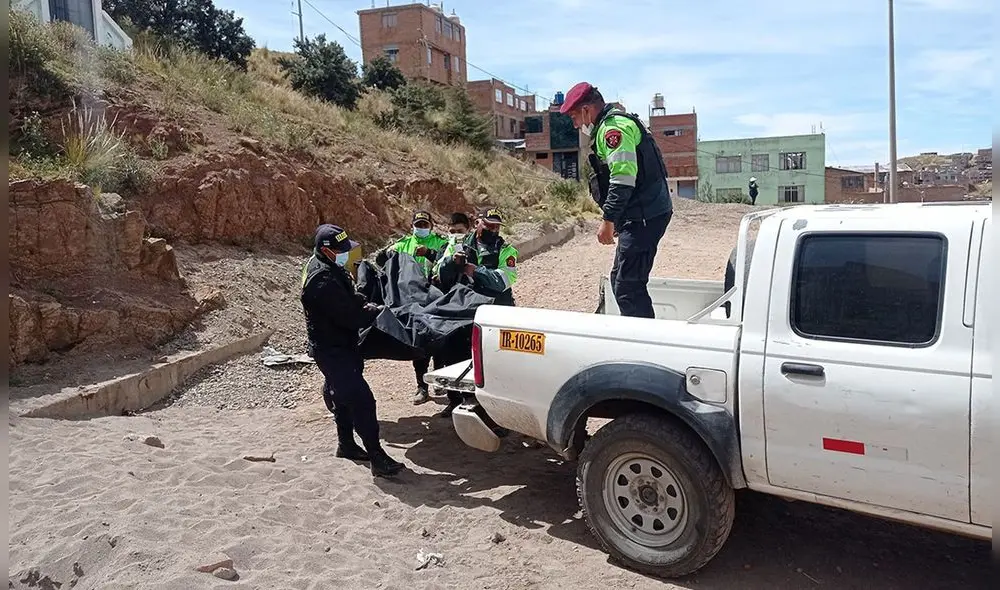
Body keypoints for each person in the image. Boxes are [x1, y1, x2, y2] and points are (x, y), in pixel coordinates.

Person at [560, 82, 673, 319]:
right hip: (640, 214)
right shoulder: (611, 125)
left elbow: (622, 179)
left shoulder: (614, 129)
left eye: (574, 117)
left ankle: (645, 345)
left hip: (644, 215)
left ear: (586, 110)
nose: (575, 124)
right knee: (620, 280)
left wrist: (609, 219)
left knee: (628, 287)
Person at [301, 223, 404, 478]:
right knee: (362, 400)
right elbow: (350, 316)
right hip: (332, 349)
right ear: (326, 250)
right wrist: (374, 311)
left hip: (342, 344)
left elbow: (346, 297)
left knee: (342, 396)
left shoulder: (328, 267)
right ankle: (377, 457)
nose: (346, 254)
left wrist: (361, 301)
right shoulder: (321, 280)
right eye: (341, 250)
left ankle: (345, 444)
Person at [374, 210, 452, 406]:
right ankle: (422, 386)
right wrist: (388, 254)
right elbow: (380, 260)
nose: (422, 228)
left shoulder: (440, 242)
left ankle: (440, 378)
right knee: (419, 343)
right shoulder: (404, 243)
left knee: (440, 339)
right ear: (412, 226)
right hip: (412, 301)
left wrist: (429, 254)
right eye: (419, 225)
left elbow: (447, 260)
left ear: (432, 226)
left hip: (436, 296)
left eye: (425, 225)